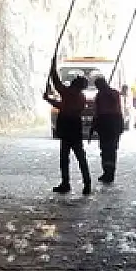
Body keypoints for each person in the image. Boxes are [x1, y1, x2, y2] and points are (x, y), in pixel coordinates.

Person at [44, 57, 92, 195]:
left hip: (67, 127)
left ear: (76, 84)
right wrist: (49, 100)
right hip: (75, 127)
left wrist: (53, 68)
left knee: (65, 157)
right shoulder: (80, 97)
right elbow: (63, 105)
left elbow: (56, 83)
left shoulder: (69, 93)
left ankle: (66, 183)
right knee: (80, 157)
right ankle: (86, 184)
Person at [90, 77, 124, 184]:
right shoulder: (100, 95)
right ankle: (106, 172)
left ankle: (110, 173)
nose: (98, 88)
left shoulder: (113, 93)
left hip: (112, 122)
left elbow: (115, 105)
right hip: (106, 123)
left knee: (111, 149)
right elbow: (96, 111)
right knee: (105, 149)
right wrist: (94, 125)